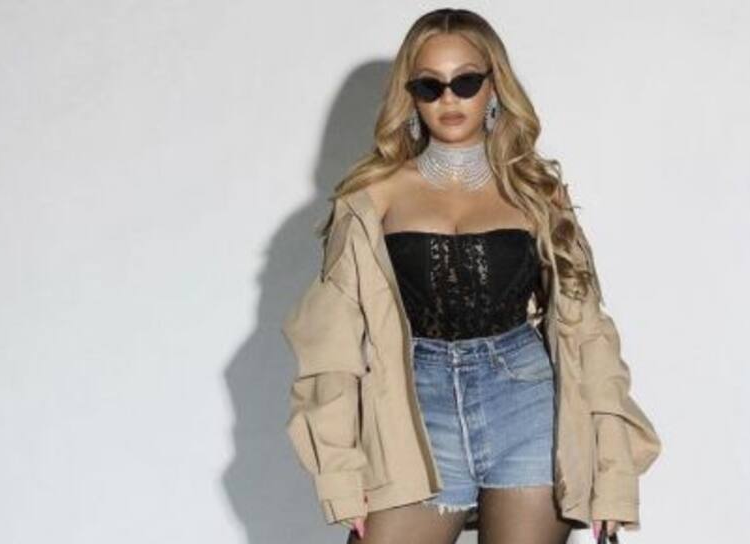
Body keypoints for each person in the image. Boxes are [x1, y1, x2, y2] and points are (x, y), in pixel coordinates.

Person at [281, 8, 662, 544]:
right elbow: (331, 343)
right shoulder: (371, 198)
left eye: (465, 82)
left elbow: (587, 333)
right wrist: (339, 476)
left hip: (526, 406)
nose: (449, 99)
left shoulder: (536, 194)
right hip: (414, 411)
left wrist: (613, 476)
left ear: (494, 85)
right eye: (430, 86)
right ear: (411, 96)